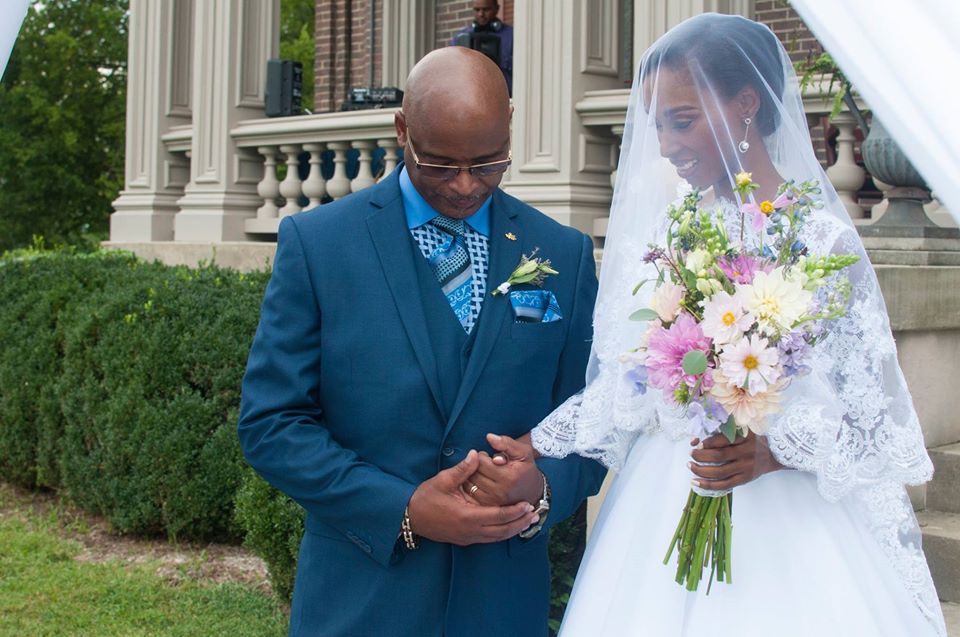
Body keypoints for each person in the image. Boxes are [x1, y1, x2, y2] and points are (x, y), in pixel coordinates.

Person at [492, 13, 947, 636]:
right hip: (669, 490)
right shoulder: (671, 232)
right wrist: (541, 441)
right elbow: (632, 376)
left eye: (682, 120)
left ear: (745, 105)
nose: (667, 144)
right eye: (657, 125)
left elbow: (871, 416)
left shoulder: (817, 239)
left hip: (789, 517)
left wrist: (776, 452)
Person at [237, 46, 605, 637]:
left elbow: (592, 420)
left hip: (502, 607)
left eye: (487, 164)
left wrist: (541, 491)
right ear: (402, 130)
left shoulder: (561, 253)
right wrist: (403, 510)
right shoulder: (319, 244)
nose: (464, 186)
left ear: (510, 124)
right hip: (360, 603)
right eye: (440, 165)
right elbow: (272, 424)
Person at [450, 0, 513, 95]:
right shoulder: (460, 38)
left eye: (486, 9)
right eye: (477, 9)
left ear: (497, 9)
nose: (481, 14)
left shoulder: (512, 36)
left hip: (503, 96)